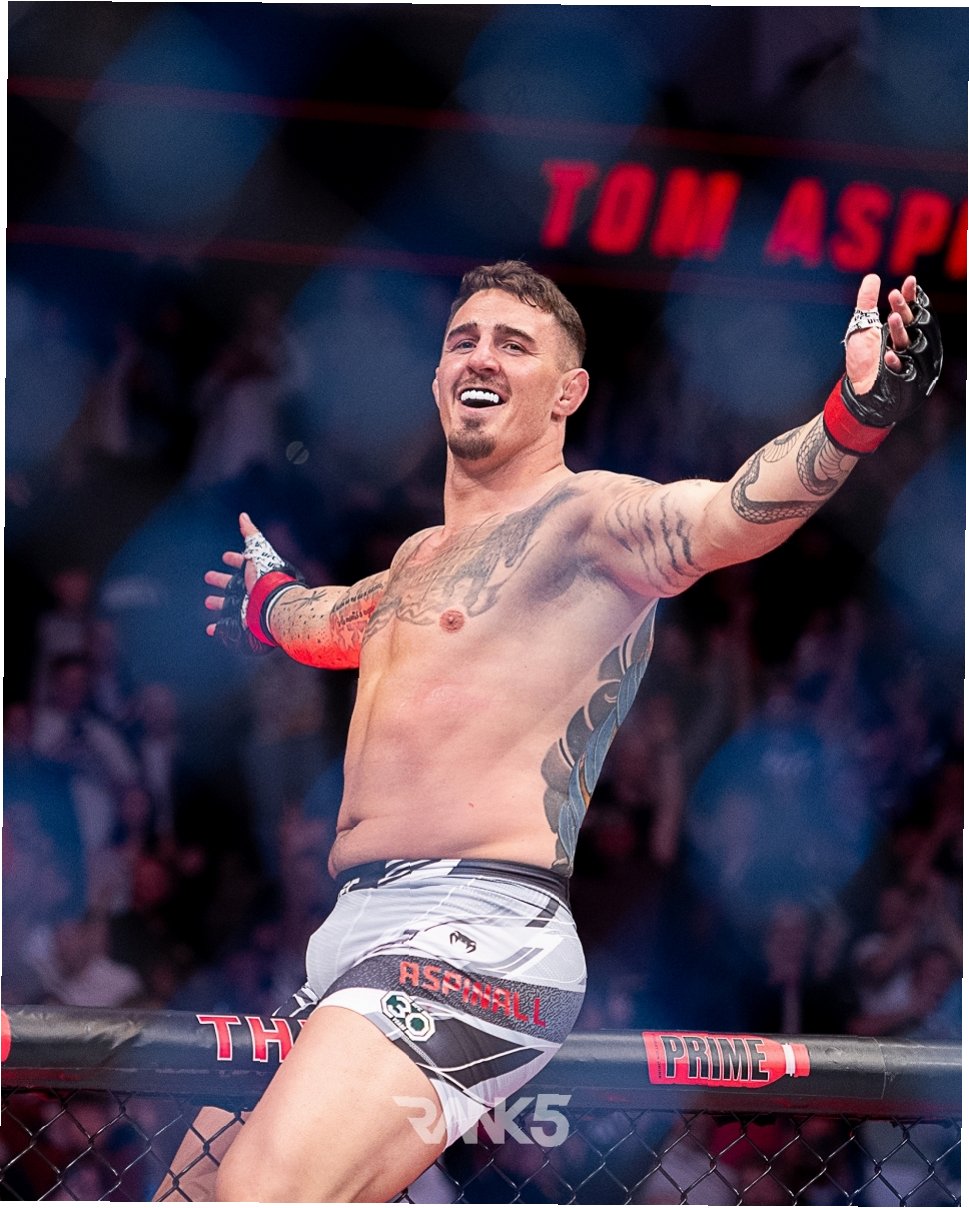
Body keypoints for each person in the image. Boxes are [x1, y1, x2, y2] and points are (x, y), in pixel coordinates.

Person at [156, 262, 941, 1202]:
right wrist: (266, 602)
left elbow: (728, 512)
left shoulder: (587, 519)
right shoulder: (416, 560)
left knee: (257, 1194)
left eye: (513, 344)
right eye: (463, 340)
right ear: (438, 378)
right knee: (191, 1186)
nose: (481, 356)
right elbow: (335, 623)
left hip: (474, 933)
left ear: (568, 392)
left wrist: (855, 414)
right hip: (356, 931)